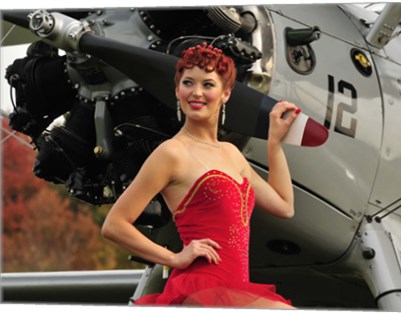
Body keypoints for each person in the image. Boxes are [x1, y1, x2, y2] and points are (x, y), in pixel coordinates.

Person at [101, 42, 301, 308]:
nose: (196, 92)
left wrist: (274, 144)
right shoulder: (171, 153)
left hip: (236, 290)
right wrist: (174, 259)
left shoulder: (231, 153)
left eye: (207, 84)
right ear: (177, 90)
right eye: (188, 83)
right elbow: (114, 225)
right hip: (200, 290)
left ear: (226, 93)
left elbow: (284, 207)